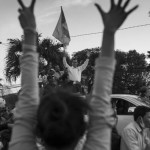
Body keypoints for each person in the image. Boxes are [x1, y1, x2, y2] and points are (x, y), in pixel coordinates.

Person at [9, 0, 138, 150]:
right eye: (75, 60)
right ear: (84, 129)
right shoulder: (69, 67)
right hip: (71, 86)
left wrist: (29, 31)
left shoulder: (80, 68)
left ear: (37, 130)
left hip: (76, 86)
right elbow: (67, 65)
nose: (76, 61)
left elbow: (27, 102)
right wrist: (109, 32)